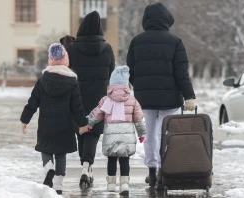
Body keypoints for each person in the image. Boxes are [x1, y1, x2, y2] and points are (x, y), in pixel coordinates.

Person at [126, 2, 196, 188]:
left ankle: (152, 173)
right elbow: (181, 73)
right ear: (167, 19)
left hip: (144, 99)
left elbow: (130, 71)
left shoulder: (136, 41)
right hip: (170, 99)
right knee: (167, 134)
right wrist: (189, 95)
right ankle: (164, 172)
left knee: (149, 135)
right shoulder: (175, 41)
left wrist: (139, 86)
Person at [20, 43, 89, 194]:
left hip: (46, 124)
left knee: (45, 149)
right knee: (61, 154)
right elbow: (77, 107)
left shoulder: (43, 81)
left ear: (50, 60)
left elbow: (33, 102)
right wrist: (83, 123)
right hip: (65, 125)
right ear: (66, 60)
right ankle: (58, 184)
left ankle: (48, 168)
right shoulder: (72, 83)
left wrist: (24, 120)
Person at [66, 11, 115, 187]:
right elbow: (112, 73)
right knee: (92, 134)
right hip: (99, 98)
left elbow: (67, 73)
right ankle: (87, 167)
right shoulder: (107, 48)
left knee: (82, 131)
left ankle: (85, 167)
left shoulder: (71, 48)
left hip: (77, 96)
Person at [82, 66, 146, 195]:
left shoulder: (106, 100)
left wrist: (86, 123)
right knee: (124, 159)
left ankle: (111, 185)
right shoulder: (133, 101)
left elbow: (96, 115)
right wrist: (141, 133)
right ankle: (124, 185)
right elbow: (139, 119)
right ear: (126, 84)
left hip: (110, 137)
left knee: (111, 159)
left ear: (111, 84)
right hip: (127, 137)